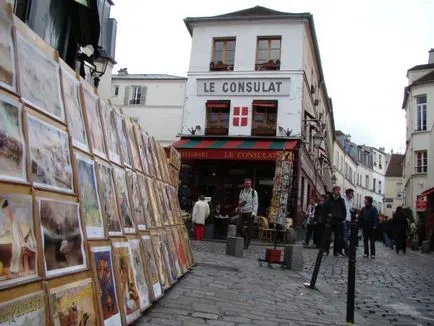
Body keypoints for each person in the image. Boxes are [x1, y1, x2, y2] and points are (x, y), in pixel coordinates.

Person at [323, 186, 347, 256]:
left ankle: (336, 252)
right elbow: (324, 210)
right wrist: (327, 217)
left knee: (338, 237)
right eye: (337, 190)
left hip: (338, 220)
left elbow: (344, 210)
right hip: (330, 220)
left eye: (339, 190)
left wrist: (343, 218)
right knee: (327, 236)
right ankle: (326, 250)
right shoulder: (328, 200)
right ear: (333, 191)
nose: (338, 192)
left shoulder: (341, 200)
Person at [237, 178, 258, 249]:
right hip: (242, 211)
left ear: (251, 184)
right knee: (239, 225)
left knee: (250, 229)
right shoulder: (242, 191)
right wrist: (239, 206)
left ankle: (246, 244)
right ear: (244, 184)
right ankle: (244, 237)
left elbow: (255, 203)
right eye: (247, 183)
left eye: (249, 183)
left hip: (250, 212)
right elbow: (240, 201)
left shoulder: (254, 192)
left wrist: (254, 212)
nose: (248, 185)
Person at [342, 189, 354, 255]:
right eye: (352, 194)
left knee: (347, 235)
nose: (353, 195)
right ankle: (347, 251)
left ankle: (345, 249)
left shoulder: (351, 201)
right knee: (345, 236)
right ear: (348, 194)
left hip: (349, 220)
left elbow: (351, 210)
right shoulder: (343, 200)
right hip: (344, 219)